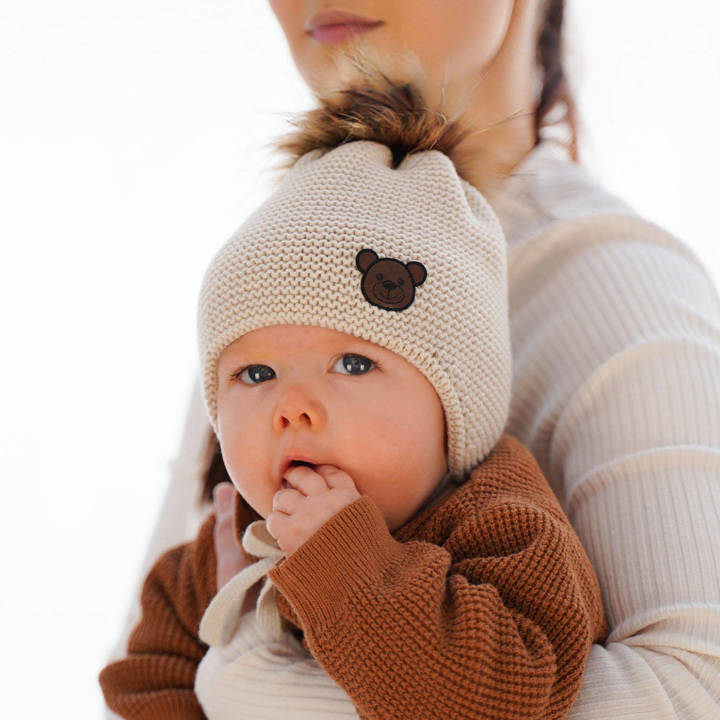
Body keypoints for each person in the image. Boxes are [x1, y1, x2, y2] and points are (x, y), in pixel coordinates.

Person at [102, 1, 720, 718]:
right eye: (254, 376)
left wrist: (243, 682)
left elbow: (694, 696)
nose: (291, 402)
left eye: (356, 366)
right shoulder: (282, 293)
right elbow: (143, 668)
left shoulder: (617, 286)